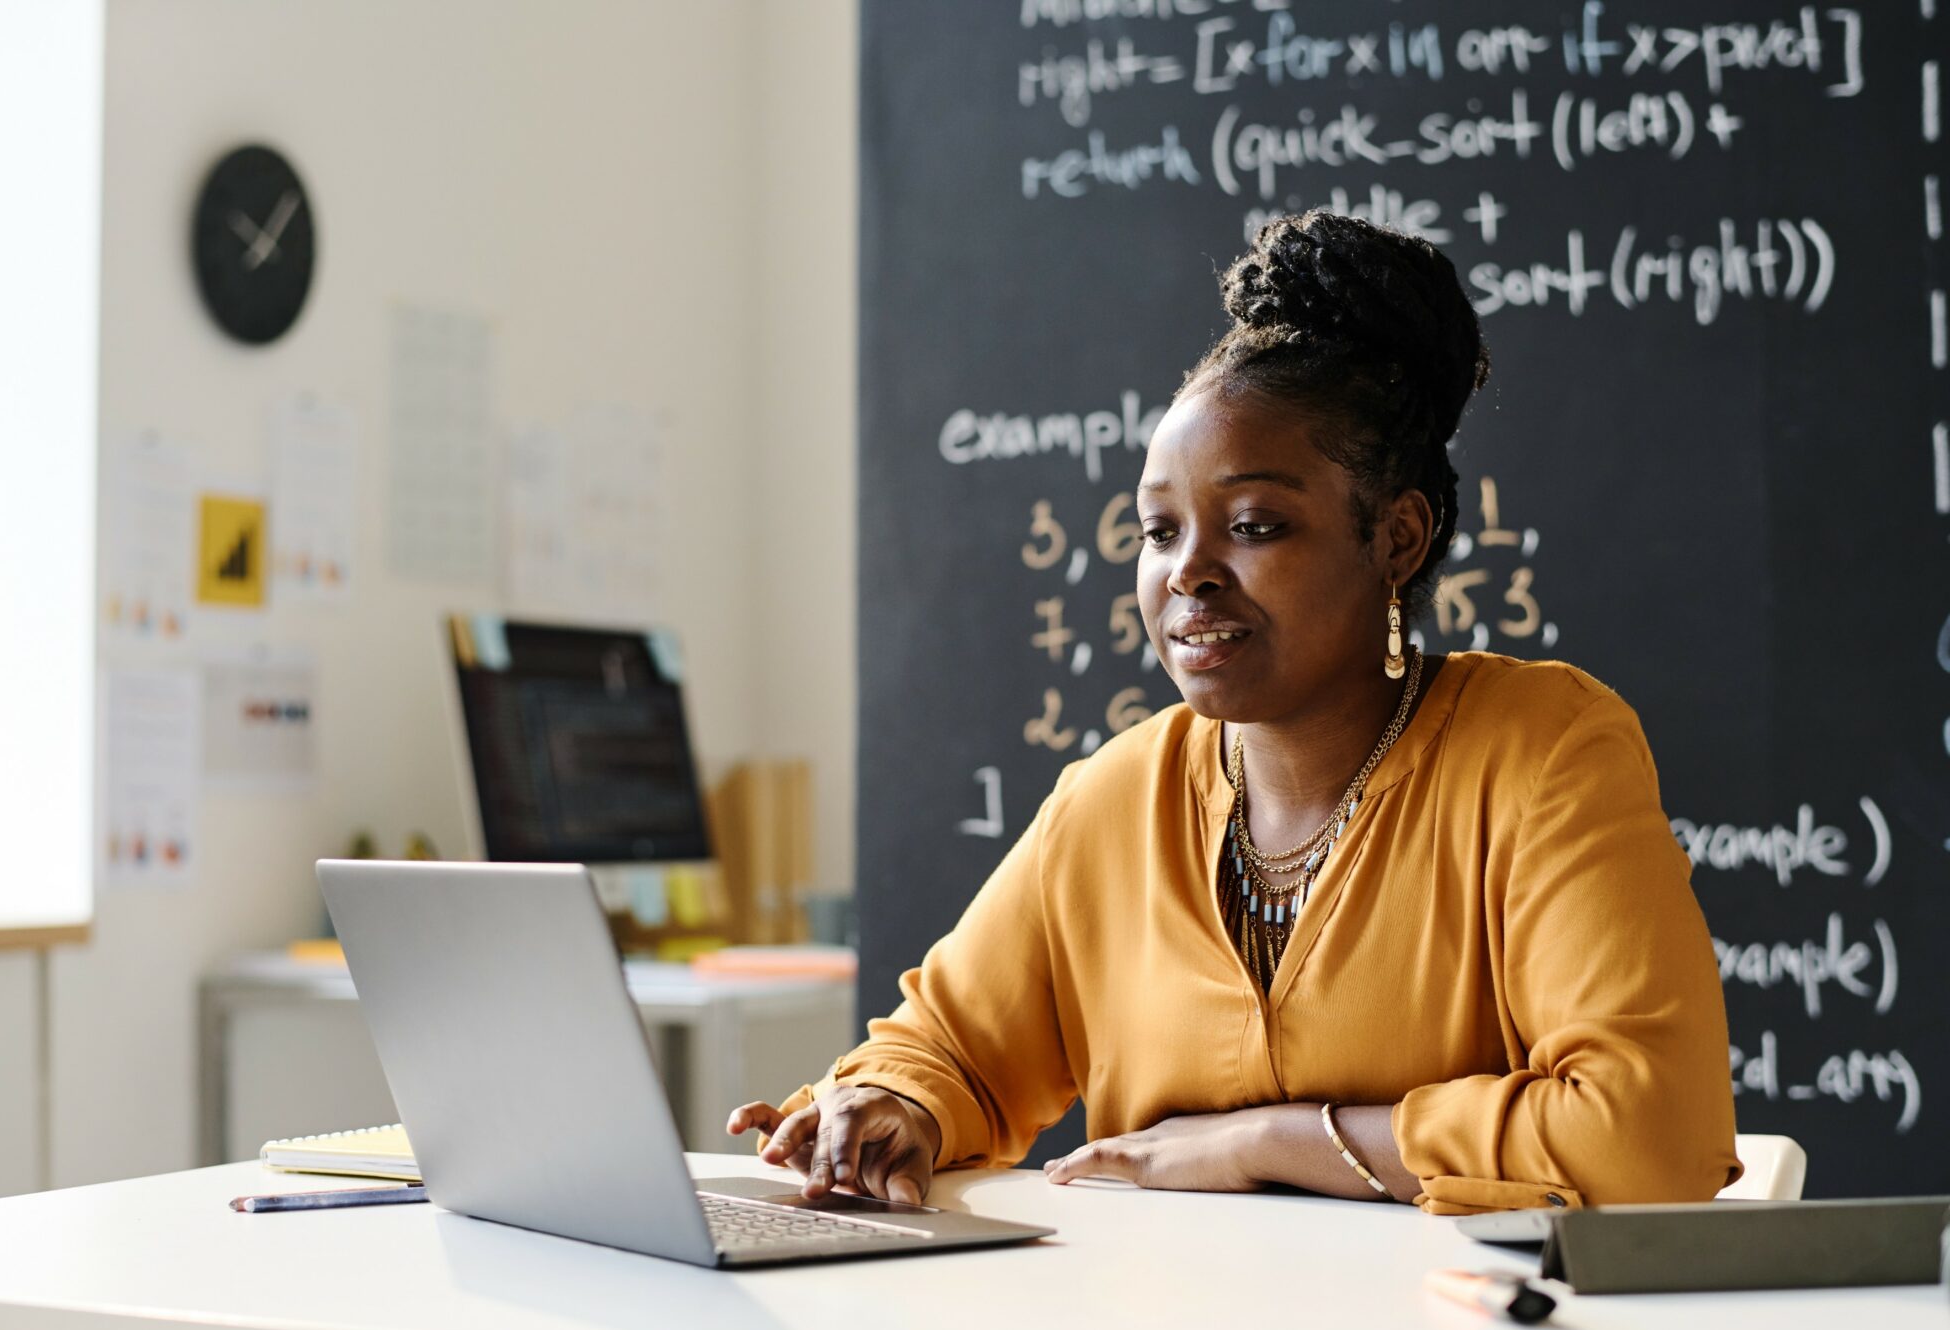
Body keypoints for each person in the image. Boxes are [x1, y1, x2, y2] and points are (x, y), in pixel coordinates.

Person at [727, 210, 1740, 1215]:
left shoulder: (1541, 751)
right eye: (1157, 530)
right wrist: (885, 1104)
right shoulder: (1115, 797)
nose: (1187, 575)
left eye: (1252, 525)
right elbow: (946, 1049)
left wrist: (1270, 1141)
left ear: (1395, 537)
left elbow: (1648, 1136)